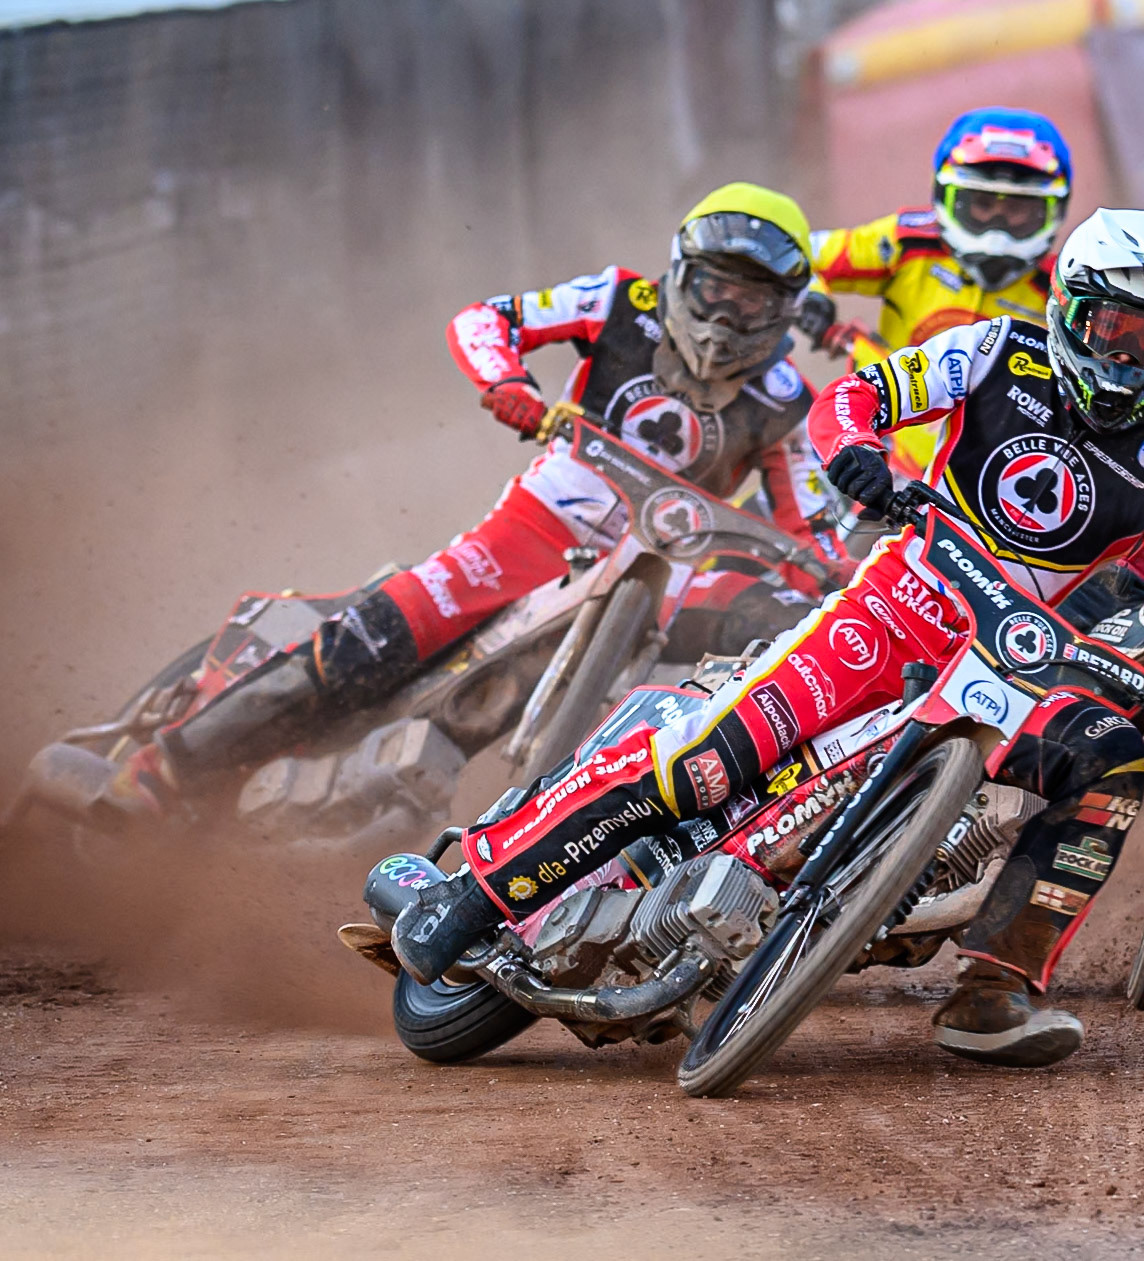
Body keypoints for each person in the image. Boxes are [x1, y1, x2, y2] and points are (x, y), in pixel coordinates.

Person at [391, 208, 1144, 1069]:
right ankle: (477, 891)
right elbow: (858, 397)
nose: (1128, 358)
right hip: (890, 611)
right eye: (1114, 328)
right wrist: (855, 454)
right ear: (1070, 307)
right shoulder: (993, 351)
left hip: (1014, 671)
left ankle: (995, 990)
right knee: (701, 764)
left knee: (1113, 757)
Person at [107, 183, 844, 815]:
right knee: (384, 633)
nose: (726, 317)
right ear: (685, 274)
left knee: (756, 632)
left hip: (659, 572)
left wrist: (838, 580)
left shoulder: (788, 403)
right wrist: (508, 385)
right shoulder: (621, 300)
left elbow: (810, 535)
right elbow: (487, 320)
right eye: (717, 289)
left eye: (751, 301)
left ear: (784, 310)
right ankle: (166, 770)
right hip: (545, 522)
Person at [807, 106, 1072, 477]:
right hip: (875, 440)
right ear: (945, 195)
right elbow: (799, 253)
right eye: (982, 204)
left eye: (1017, 209)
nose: (997, 225)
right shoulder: (906, 242)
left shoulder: (1064, 291)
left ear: (1053, 209)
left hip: (990, 474)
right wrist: (813, 297)